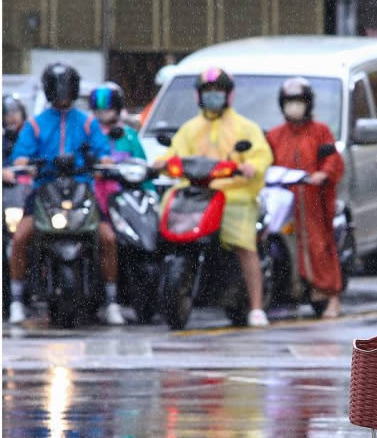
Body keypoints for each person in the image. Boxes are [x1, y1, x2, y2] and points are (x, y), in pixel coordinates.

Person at [151, 67, 273, 327]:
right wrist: (161, 164)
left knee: (243, 245)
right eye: (207, 92)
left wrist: (251, 166)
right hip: (194, 194)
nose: (212, 96)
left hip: (234, 196)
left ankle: (255, 307)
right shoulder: (189, 128)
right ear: (198, 96)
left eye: (218, 91)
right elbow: (174, 154)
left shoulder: (246, 128)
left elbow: (261, 155)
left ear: (228, 95)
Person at [7, 63, 125, 325]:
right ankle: (16, 299)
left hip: (82, 189)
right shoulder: (36, 125)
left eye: (67, 87)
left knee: (107, 238)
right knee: (21, 237)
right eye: (57, 87)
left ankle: (111, 300)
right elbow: (20, 156)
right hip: (44, 190)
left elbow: (103, 152)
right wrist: (22, 164)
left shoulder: (87, 122)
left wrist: (104, 162)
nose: (62, 93)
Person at [265, 77, 345, 319]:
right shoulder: (275, 135)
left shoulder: (320, 132)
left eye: (299, 101)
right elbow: (265, 161)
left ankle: (331, 296)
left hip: (313, 202)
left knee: (320, 247)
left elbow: (333, 159)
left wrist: (323, 174)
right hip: (282, 204)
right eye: (290, 102)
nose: (294, 107)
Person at [89, 82, 152, 214]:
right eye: (99, 110)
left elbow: (142, 165)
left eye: (107, 109)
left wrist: (150, 194)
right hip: (94, 198)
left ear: (117, 109)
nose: (103, 114)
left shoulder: (129, 135)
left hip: (126, 197)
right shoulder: (88, 134)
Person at [3, 95, 27, 184]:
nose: (12, 117)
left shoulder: (31, 134)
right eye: (7, 114)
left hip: (27, 183)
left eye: (16, 112)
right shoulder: (3, 138)